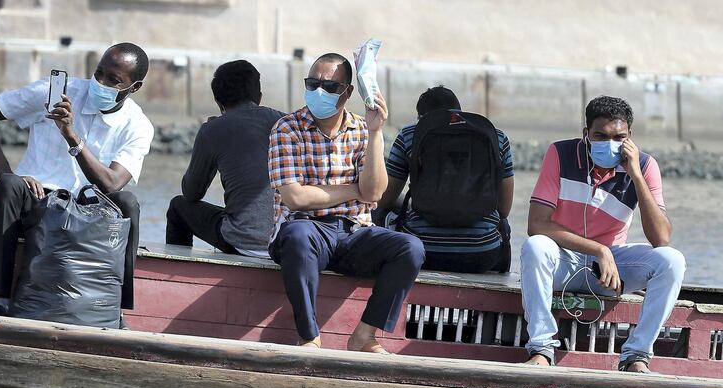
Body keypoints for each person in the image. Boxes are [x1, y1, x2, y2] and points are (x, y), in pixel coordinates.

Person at [0, 42, 154, 320]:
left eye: (113, 80)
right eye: (98, 73)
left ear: (134, 87)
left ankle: (118, 306)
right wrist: (9, 172)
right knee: (8, 186)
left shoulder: (138, 125)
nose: (100, 82)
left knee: (128, 203)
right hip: (38, 198)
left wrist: (71, 136)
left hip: (90, 210)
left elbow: (112, 184)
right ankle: (1, 297)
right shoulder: (56, 92)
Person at [268, 52, 425, 352]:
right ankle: (309, 336)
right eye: (312, 83)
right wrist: (354, 190)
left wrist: (376, 131)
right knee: (298, 237)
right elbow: (296, 197)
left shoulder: (361, 130)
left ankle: (365, 335)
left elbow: (375, 193)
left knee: (410, 248)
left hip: (355, 231)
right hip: (306, 229)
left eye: (329, 87)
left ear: (347, 93)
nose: (318, 92)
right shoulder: (287, 129)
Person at [521, 95, 685, 372]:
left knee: (672, 260)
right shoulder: (560, 154)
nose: (611, 144)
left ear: (630, 136)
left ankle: (636, 356)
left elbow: (661, 239)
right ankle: (541, 349)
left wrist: (635, 174)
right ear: (586, 134)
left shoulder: (645, 166)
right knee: (535, 246)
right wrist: (598, 249)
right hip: (565, 260)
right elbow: (537, 224)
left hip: (610, 273)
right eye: (601, 136)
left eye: (619, 137)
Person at [377, 86, 514, 273]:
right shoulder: (497, 138)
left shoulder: (410, 134)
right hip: (482, 254)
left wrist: (409, 204)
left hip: (422, 250)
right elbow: (504, 208)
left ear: (421, 118)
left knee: (379, 212)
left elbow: (385, 198)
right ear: (459, 111)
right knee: (501, 222)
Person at [166, 60, 283, 257]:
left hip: (241, 242)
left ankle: (178, 271)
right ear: (259, 97)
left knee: (178, 207)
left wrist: (209, 138)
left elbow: (192, 194)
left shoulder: (212, 131)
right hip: (287, 241)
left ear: (219, 103)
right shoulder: (285, 122)